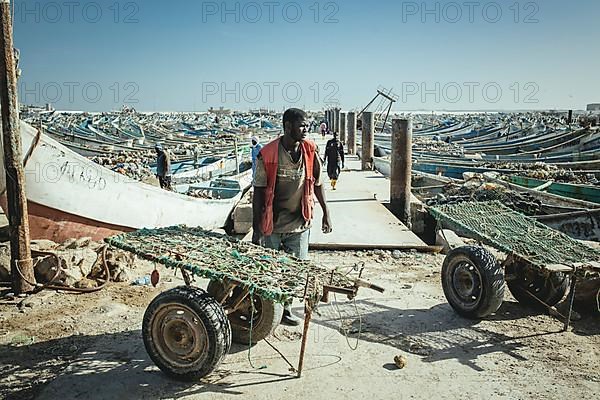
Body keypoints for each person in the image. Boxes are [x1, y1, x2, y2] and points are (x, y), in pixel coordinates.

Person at [252, 108, 332, 326]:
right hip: (272, 224)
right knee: (268, 271)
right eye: (301, 125)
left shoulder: (310, 150)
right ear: (287, 127)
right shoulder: (268, 154)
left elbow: (318, 183)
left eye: (306, 125)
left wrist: (326, 213)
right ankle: (267, 312)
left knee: (294, 271)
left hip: (299, 223)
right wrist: (256, 228)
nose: (305, 129)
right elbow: (258, 191)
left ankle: (285, 309)